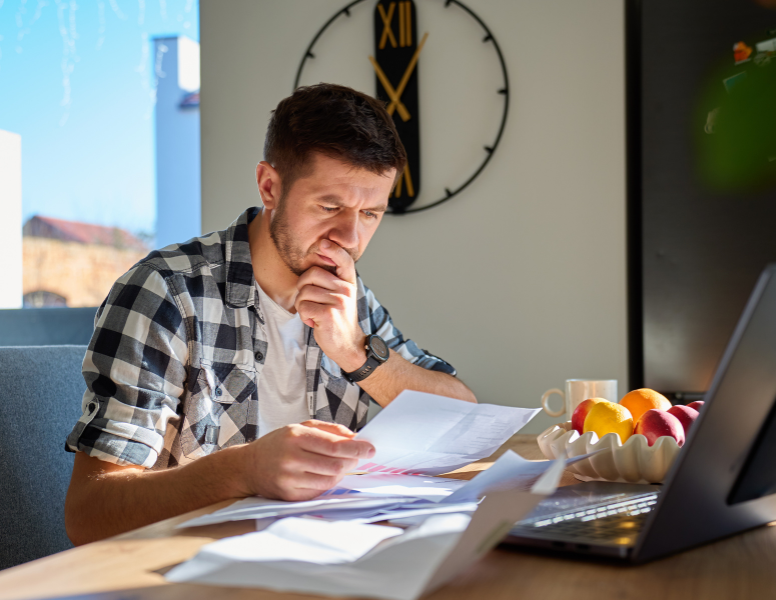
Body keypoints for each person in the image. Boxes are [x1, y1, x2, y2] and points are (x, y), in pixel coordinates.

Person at [64, 84, 476, 545]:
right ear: (269, 186)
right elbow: (90, 514)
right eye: (330, 207)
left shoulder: (348, 297)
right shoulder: (166, 292)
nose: (351, 239)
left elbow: (464, 419)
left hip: (332, 562)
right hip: (189, 574)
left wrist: (358, 353)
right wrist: (243, 470)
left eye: (370, 214)